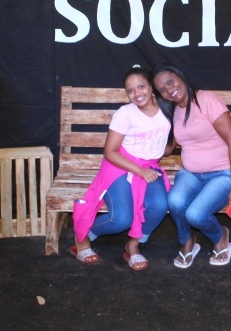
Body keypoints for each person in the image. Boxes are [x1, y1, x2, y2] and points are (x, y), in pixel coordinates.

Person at [71, 65, 172, 270]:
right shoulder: (125, 113)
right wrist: (140, 170)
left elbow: (167, 145)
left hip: (149, 167)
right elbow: (110, 152)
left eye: (141, 86)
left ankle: (133, 244)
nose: (137, 94)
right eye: (130, 90)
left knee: (160, 206)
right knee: (121, 219)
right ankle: (84, 235)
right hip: (120, 166)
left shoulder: (167, 108)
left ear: (151, 86)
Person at [152, 65, 231, 268]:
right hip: (192, 174)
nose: (169, 90)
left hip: (222, 174)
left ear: (179, 76)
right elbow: (168, 149)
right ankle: (187, 240)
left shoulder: (207, 100)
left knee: (195, 215)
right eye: (162, 90)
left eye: (170, 82)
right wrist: (137, 146)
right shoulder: (174, 111)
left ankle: (220, 236)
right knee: (174, 201)